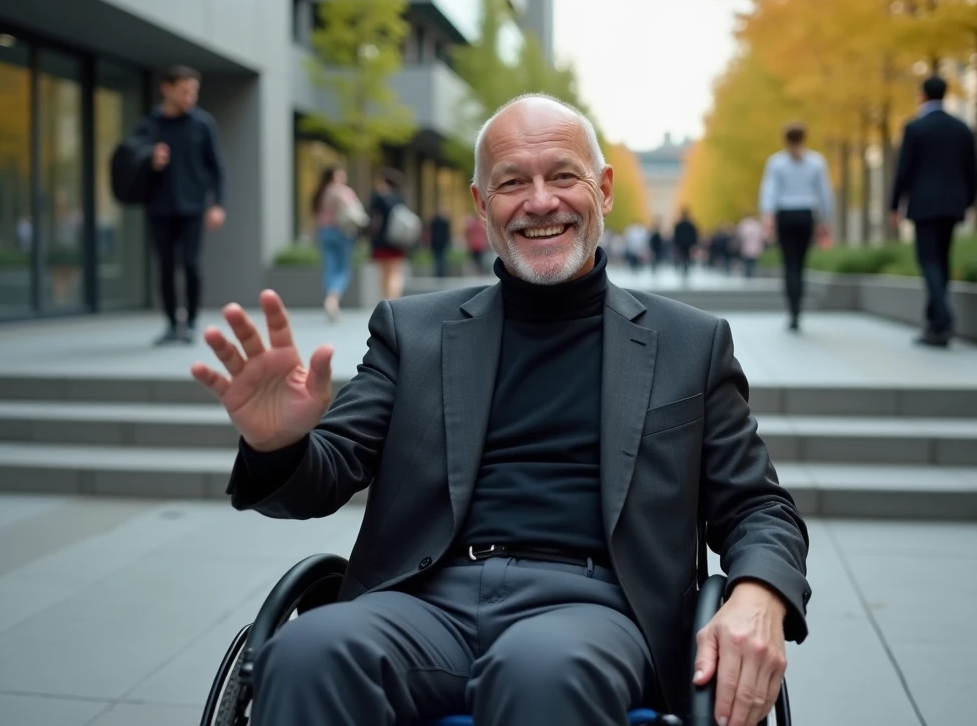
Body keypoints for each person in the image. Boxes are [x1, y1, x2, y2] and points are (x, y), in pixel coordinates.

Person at [192, 94, 809, 726]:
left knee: (541, 671)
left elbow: (758, 506)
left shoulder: (689, 342)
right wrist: (280, 444)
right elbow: (322, 474)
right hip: (425, 600)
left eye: (562, 176)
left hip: (594, 610)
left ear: (604, 189)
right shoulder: (415, 332)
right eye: (512, 183)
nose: (540, 202)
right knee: (305, 652)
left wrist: (759, 592)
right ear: (483, 206)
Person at [138, 64, 226, 345]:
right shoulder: (149, 125)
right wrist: (149, 160)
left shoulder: (203, 124)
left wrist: (217, 205)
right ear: (167, 89)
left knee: (190, 264)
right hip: (159, 207)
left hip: (192, 208)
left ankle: (189, 322)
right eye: (185, 90)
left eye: (194, 91)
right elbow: (130, 161)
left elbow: (218, 168)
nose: (190, 97)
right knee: (164, 265)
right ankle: (169, 323)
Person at [890, 76, 977, 348]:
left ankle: (943, 318)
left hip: (924, 206)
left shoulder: (916, 128)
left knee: (928, 262)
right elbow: (973, 172)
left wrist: (894, 205)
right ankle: (934, 328)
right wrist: (968, 203)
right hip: (952, 206)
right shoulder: (962, 129)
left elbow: (903, 170)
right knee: (942, 262)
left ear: (923, 96)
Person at [759, 123, 833, 331]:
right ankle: (797, 308)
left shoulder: (776, 162)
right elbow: (824, 193)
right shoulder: (816, 162)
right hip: (806, 215)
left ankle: (792, 310)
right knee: (800, 264)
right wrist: (826, 220)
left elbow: (769, 190)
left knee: (789, 264)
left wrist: (768, 215)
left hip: (785, 215)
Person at [311, 165, 362, 322]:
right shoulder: (343, 192)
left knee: (330, 267)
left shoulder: (320, 192)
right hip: (342, 233)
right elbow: (356, 214)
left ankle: (330, 297)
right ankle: (333, 299)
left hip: (324, 233)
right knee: (343, 269)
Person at [368, 168, 409, 300]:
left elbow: (373, 220)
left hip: (381, 240)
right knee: (395, 271)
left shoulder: (377, 198)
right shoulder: (399, 198)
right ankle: (394, 298)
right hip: (398, 240)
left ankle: (387, 299)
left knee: (383, 272)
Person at [736, 213, 765, 278]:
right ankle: (750, 272)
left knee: (746, 260)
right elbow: (761, 236)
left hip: (745, 245)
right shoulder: (757, 225)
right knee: (752, 260)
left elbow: (740, 235)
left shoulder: (743, 224)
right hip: (755, 246)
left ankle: (748, 272)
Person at [672, 209, 699, 278]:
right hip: (688, 244)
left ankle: (684, 268)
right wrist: (694, 244)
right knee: (687, 257)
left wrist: (676, 244)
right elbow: (694, 235)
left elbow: (676, 236)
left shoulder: (679, 225)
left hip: (681, 244)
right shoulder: (691, 225)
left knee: (683, 256)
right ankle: (685, 268)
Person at [430, 205, 453, 278]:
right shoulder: (438, 222)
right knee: (439, 258)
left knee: (440, 258)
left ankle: (440, 272)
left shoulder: (437, 222)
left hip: (440, 243)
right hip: (438, 243)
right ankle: (440, 272)